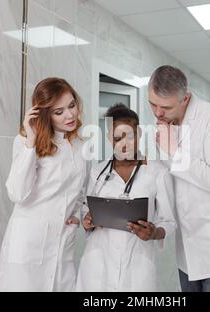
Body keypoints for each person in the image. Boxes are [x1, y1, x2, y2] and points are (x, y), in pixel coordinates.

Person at [148, 65, 210, 292]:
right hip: (188, 247)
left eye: (165, 107)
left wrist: (174, 151)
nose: (157, 113)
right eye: (152, 104)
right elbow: (168, 179)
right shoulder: (167, 126)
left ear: (185, 99)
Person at [0, 77, 87, 292]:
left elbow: (80, 192)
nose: (70, 114)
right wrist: (31, 142)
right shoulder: (25, 142)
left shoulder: (78, 144)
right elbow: (17, 193)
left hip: (63, 241)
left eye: (71, 105)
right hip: (29, 242)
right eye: (59, 111)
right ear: (45, 114)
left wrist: (80, 215)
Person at [76, 104, 176, 292]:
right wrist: (87, 220)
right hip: (97, 266)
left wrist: (155, 233)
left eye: (129, 136)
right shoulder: (97, 172)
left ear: (138, 134)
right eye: (117, 138)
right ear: (109, 139)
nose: (124, 143)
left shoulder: (157, 173)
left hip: (138, 267)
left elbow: (169, 221)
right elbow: (84, 210)